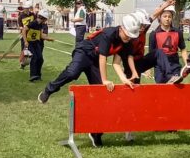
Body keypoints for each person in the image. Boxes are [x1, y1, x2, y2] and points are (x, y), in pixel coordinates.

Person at [38, 15, 141, 147]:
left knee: (102, 95)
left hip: (95, 61)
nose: (129, 38)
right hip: (84, 52)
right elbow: (103, 58)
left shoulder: (126, 42)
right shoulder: (109, 34)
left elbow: (116, 63)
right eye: (127, 34)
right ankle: (49, 90)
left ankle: (96, 133)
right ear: (121, 28)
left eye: (131, 36)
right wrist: (104, 80)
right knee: (72, 73)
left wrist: (124, 79)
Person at [115, 0, 176, 82]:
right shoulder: (128, 36)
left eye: (144, 25)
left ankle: (170, 76)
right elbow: (122, 57)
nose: (143, 27)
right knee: (134, 87)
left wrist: (167, 4)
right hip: (130, 65)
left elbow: (154, 15)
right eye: (141, 25)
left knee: (159, 52)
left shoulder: (143, 29)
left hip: (141, 61)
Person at [148, 5, 188, 83]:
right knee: (161, 88)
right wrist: (148, 69)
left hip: (174, 65)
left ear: (172, 18)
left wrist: (187, 64)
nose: (167, 19)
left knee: (175, 87)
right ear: (160, 17)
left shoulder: (178, 32)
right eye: (165, 16)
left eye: (169, 16)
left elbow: (183, 49)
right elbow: (151, 53)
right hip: (159, 66)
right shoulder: (154, 34)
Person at [22, 8, 49, 82]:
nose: (46, 20)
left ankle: (38, 75)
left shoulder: (41, 24)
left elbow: (40, 34)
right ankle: (32, 75)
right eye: (45, 19)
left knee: (40, 59)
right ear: (43, 18)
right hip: (30, 43)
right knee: (34, 58)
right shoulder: (33, 23)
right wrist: (25, 41)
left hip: (37, 43)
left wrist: (48, 38)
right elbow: (24, 30)